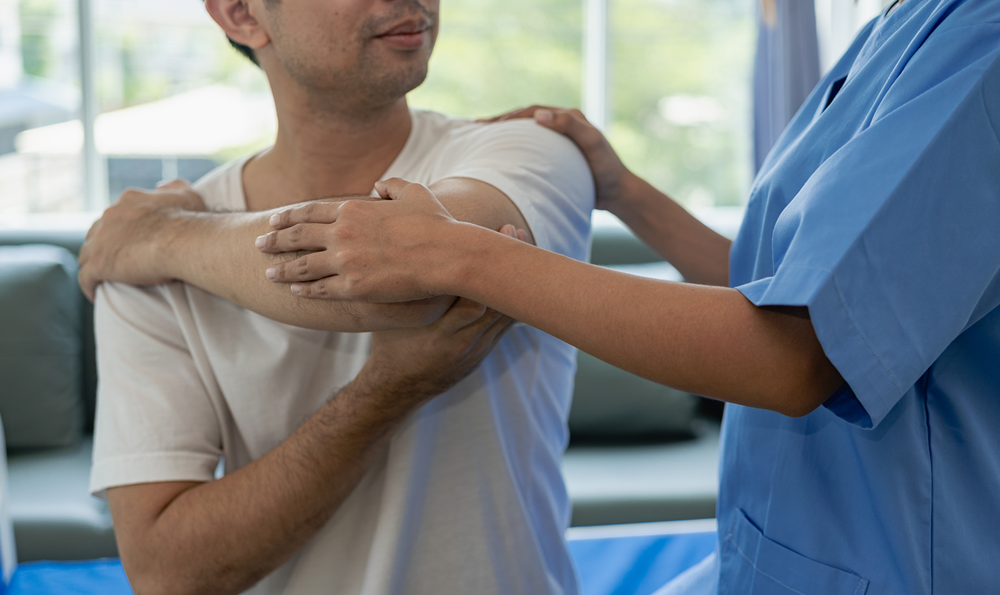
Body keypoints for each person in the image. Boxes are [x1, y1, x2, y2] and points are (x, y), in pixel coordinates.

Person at [234, 0, 1000, 592]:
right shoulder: (906, 28)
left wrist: (456, 252)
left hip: (908, 559)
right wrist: (626, 192)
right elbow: (791, 284)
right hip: (793, 552)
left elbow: (800, 352)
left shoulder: (980, 44)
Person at [80, 0, 593, 593]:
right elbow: (167, 572)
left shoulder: (529, 152)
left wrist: (167, 239)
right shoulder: (141, 258)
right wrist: (386, 392)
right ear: (243, 14)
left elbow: (409, 283)